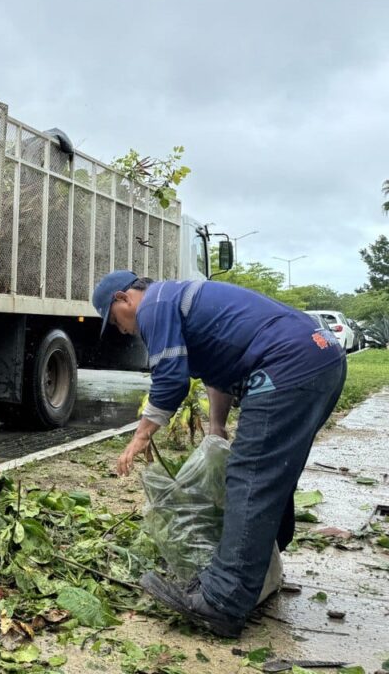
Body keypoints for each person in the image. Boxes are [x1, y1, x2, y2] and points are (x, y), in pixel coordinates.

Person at [93, 270, 346, 637]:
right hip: (321, 360)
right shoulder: (182, 302)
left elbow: (170, 379)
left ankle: (223, 601)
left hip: (288, 365)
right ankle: (263, 569)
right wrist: (216, 426)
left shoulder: (155, 305)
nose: (123, 330)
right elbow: (217, 371)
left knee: (250, 476)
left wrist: (140, 438)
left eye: (115, 322)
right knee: (273, 467)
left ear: (124, 299)